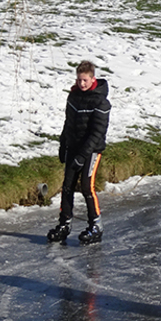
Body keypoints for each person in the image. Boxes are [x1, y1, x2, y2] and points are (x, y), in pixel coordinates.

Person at [47, 60, 112, 245]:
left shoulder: (101, 102)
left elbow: (97, 133)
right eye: (79, 80)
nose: (81, 84)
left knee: (86, 187)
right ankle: (64, 223)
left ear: (92, 79)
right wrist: (63, 144)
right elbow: (68, 122)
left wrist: (83, 156)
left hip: (91, 151)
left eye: (84, 80)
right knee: (67, 186)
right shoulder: (73, 97)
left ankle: (96, 225)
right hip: (73, 146)